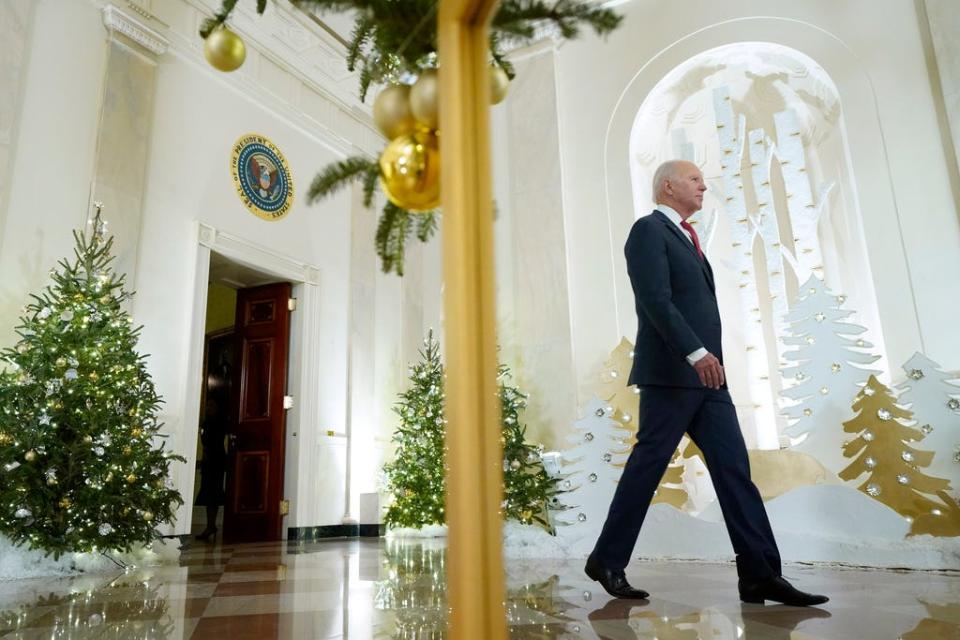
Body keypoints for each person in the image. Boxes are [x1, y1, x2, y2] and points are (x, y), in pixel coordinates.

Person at [585, 160, 828, 607]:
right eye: (695, 179)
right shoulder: (648, 231)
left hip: (709, 379)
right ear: (668, 186)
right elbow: (655, 301)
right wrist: (695, 353)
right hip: (672, 375)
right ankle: (607, 559)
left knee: (735, 472)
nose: (704, 186)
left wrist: (708, 360)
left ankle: (760, 576)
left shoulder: (689, 237)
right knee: (649, 467)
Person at [195, 395, 228, 542]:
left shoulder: (219, 423)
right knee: (209, 495)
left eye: (212, 406)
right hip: (209, 461)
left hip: (216, 462)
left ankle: (211, 525)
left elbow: (213, 442)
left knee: (213, 494)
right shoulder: (206, 422)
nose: (208, 408)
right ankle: (210, 525)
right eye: (207, 405)